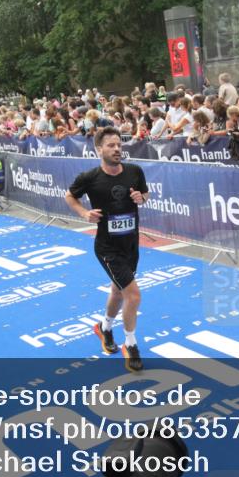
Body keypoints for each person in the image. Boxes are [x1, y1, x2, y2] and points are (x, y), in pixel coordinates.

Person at [65, 127, 149, 373]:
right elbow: (69, 196)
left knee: (118, 290)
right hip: (107, 247)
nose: (117, 149)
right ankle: (131, 345)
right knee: (133, 295)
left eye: (119, 145)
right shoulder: (89, 177)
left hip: (131, 244)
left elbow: (145, 195)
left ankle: (105, 328)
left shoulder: (134, 171)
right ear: (99, 149)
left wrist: (140, 199)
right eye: (111, 145)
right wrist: (84, 213)